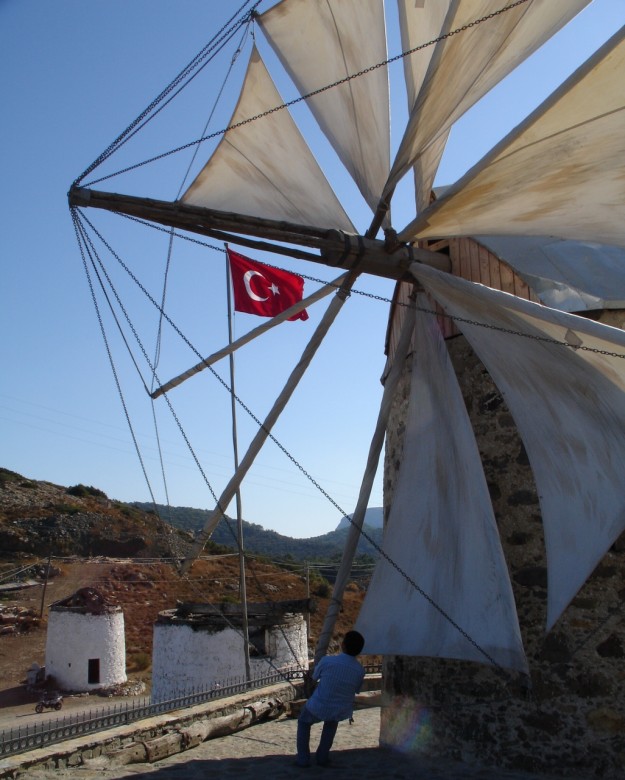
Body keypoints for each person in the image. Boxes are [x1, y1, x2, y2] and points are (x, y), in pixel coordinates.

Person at [296, 630, 365, 768]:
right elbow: (356, 689)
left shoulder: (327, 661)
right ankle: (322, 757)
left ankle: (303, 759)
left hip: (319, 704)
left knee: (304, 723)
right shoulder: (360, 670)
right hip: (340, 708)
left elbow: (314, 678)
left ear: (343, 645)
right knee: (330, 726)